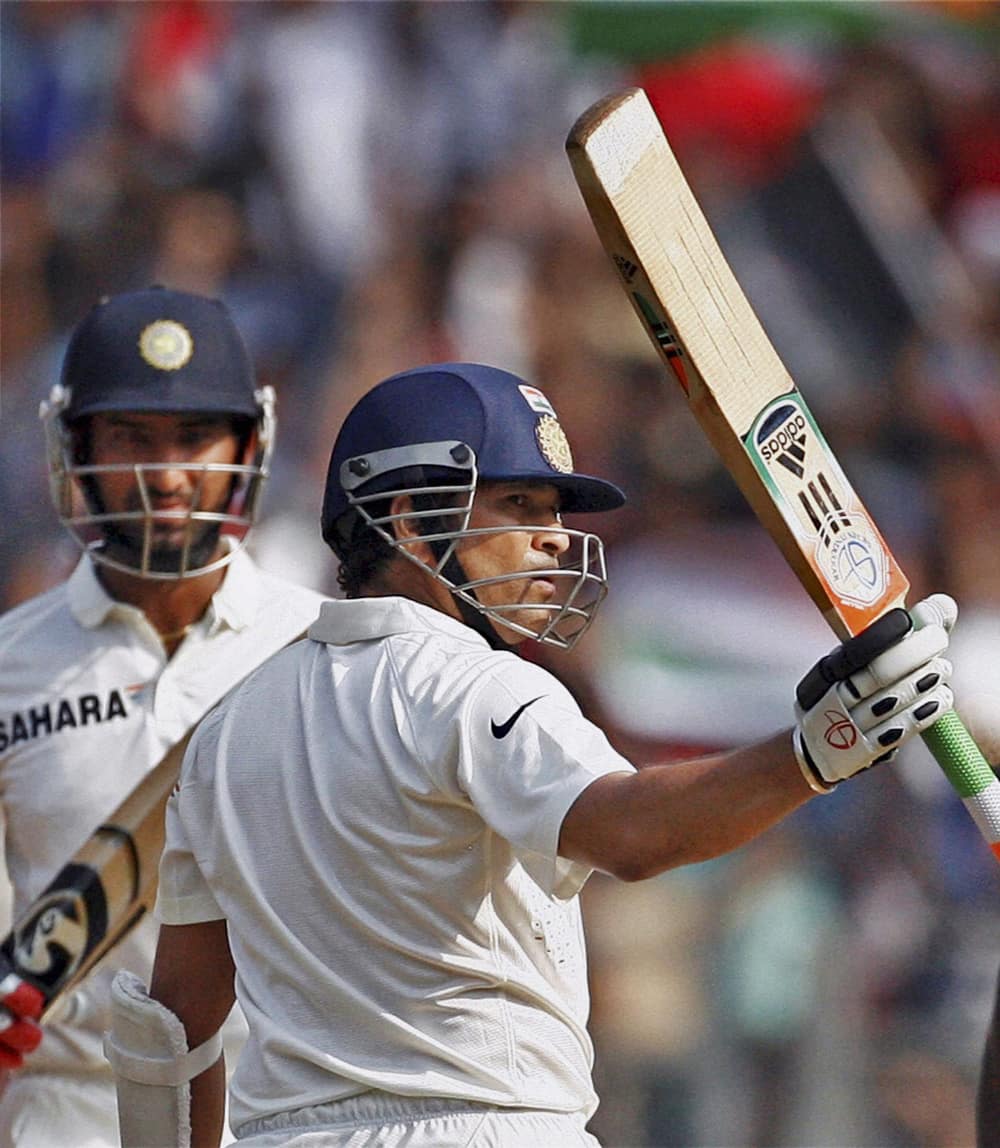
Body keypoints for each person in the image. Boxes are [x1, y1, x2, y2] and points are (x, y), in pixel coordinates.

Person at [106, 362, 957, 1148]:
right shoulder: (475, 686)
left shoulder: (223, 731)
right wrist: (821, 747)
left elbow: (174, 1026)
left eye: (554, 510)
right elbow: (630, 834)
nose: (554, 537)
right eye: (517, 505)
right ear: (406, 516)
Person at [0, 286, 325, 1147]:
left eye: (194, 438)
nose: (169, 475)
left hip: (279, 1111)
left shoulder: (322, 650)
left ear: (249, 444)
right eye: (132, 439)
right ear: (75, 446)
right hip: (63, 1112)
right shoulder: (9, 666)